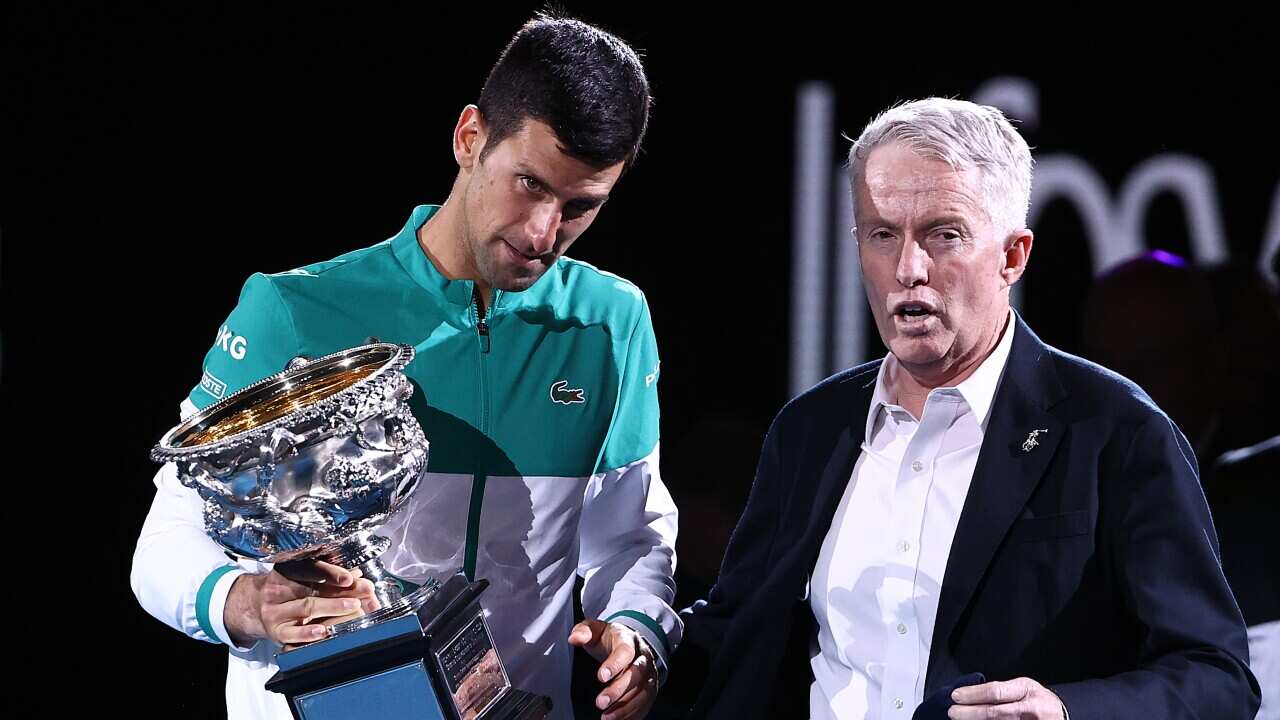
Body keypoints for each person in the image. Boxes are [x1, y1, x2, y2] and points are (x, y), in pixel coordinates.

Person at [132, 13, 677, 720]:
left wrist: (638, 632)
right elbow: (166, 540)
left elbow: (629, 537)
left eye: (580, 206)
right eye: (530, 184)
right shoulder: (292, 310)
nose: (544, 233)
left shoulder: (612, 323)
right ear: (469, 137)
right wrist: (242, 601)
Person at [672, 98, 1259, 719]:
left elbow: (1216, 677)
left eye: (943, 235)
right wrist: (642, 653)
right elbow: (737, 633)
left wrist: (1064, 711)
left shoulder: (1115, 431)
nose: (908, 269)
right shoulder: (811, 428)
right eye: (882, 235)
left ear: (1013, 256)